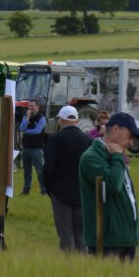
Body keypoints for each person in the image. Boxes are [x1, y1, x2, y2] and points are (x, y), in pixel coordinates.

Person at [79, 112, 139, 262]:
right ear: (116, 129)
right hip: (107, 241)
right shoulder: (91, 157)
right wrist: (117, 157)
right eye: (130, 136)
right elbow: (112, 186)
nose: (131, 142)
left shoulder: (117, 156)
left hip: (126, 237)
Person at [44, 105, 91, 253]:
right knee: (81, 234)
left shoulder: (55, 139)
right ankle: (82, 267)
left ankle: (67, 266)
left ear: (61, 120)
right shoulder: (88, 140)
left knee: (66, 233)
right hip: (83, 193)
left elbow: (48, 168)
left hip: (61, 192)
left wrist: (49, 187)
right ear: (76, 121)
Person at [20, 100, 47, 195]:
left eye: (32, 106)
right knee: (27, 171)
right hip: (26, 148)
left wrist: (25, 131)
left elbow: (37, 131)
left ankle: (44, 189)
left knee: (39, 170)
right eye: (29, 106)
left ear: (37, 107)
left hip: (37, 148)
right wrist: (27, 118)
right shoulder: (26, 116)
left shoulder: (42, 118)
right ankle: (26, 189)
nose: (30, 108)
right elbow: (21, 128)